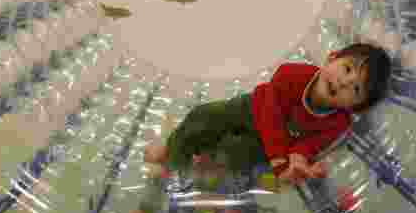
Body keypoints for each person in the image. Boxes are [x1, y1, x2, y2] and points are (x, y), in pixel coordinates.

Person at [144, 43, 392, 186]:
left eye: (356, 89)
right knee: (204, 116)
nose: (344, 82)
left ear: (355, 106)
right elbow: (270, 117)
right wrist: (280, 162)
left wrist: (299, 160)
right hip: (252, 110)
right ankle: (172, 152)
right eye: (346, 68)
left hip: (272, 144)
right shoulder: (291, 74)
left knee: (235, 154)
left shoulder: (339, 122)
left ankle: (204, 165)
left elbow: (310, 143)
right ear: (331, 58)